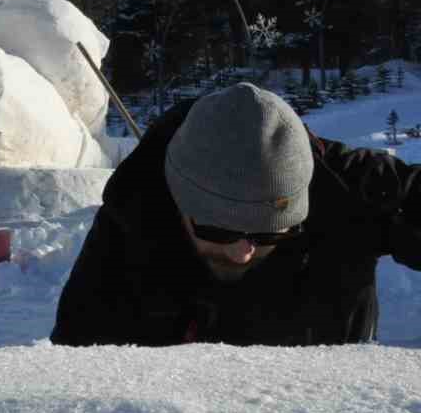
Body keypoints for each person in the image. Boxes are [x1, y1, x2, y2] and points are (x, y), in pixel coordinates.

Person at [51, 83, 421, 346]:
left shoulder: (345, 188)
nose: (242, 251)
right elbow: (77, 377)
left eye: (270, 234)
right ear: (179, 200)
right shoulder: (130, 224)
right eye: (217, 230)